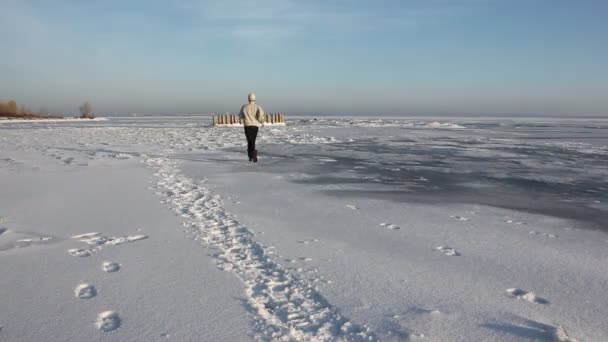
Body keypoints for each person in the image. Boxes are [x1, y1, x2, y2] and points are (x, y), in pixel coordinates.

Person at [239, 92, 265, 162]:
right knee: (253, 140)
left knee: (249, 141)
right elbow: (261, 115)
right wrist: (261, 122)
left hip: (247, 125)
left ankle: (251, 155)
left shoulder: (244, 107)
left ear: (248, 99)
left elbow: (240, 116)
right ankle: (253, 154)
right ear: (254, 99)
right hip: (255, 126)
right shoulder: (257, 106)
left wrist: (241, 121)